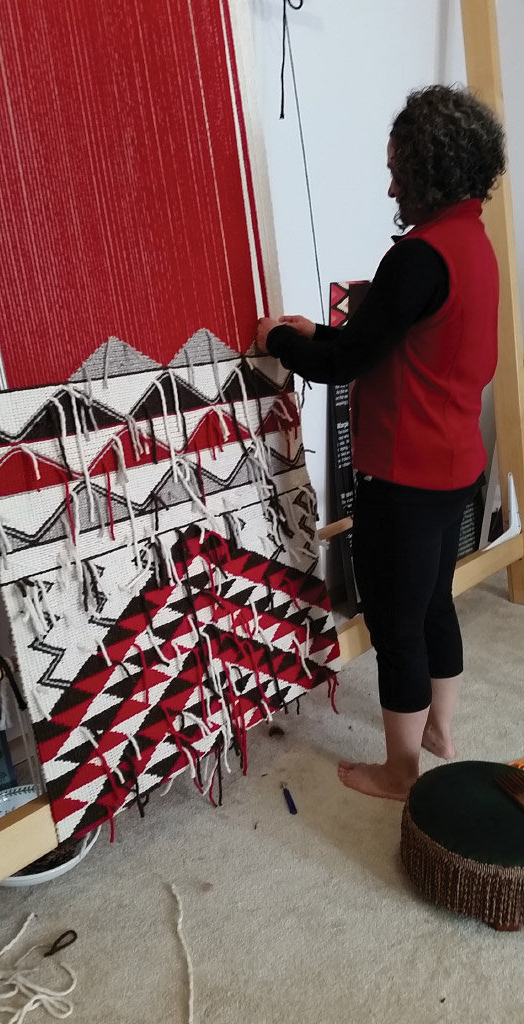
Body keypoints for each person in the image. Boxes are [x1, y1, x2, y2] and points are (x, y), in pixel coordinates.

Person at [255, 85, 506, 801]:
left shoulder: (418, 258)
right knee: (434, 602)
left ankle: (400, 773)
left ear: (426, 170)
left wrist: (277, 340)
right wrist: (317, 334)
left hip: (405, 476)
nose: (389, 181)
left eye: (397, 167)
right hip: (454, 463)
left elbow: (344, 362)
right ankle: (440, 732)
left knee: (395, 624)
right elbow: (393, 343)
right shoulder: (473, 244)